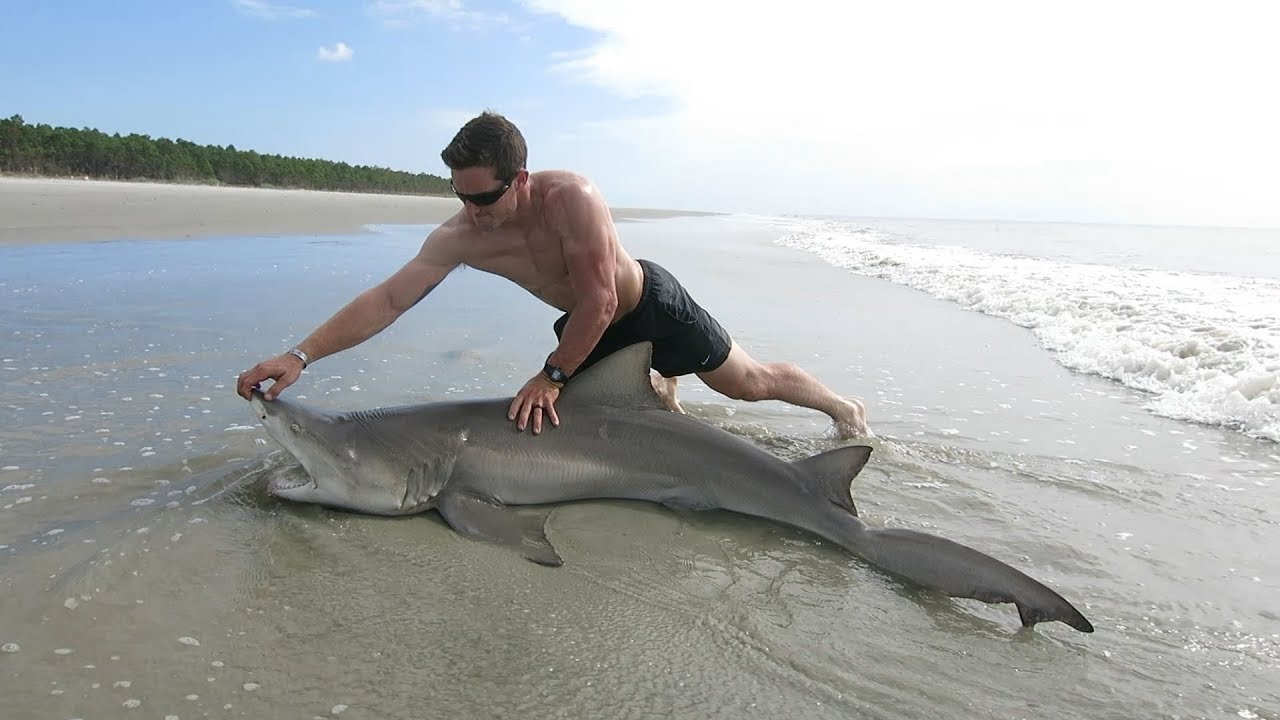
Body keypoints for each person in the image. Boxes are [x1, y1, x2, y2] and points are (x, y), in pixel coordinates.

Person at [235, 111, 869, 438]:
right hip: (584, 326)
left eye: (484, 199)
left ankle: (844, 407)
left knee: (747, 384)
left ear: (522, 179)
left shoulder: (573, 199)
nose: (472, 214)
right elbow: (389, 299)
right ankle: (658, 396)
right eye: (461, 196)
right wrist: (301, 354)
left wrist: (552, 374)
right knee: (578, 429)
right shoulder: (459, 235)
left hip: (645, 304)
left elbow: (598, 301)